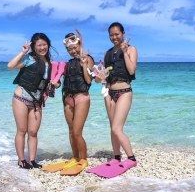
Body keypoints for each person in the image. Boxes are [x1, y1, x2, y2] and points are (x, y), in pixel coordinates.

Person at [43, 31, 94, 176]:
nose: (72, 51)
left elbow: (89, 81)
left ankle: (83, 159)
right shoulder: (67, 64)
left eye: (74, 47)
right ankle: (75, 156)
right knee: (71, 131)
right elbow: (60, 83)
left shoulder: (88, 59)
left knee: (77, 132)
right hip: (67, 98)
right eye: (69, 49)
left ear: (79, 44)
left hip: (82, 97)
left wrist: (84, 65)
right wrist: (54, 83)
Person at [95, 22, 138, 170]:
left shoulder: (131, 49)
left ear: (123, 33)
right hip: (109, 92)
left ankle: (131, 158)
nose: (114, 37)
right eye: (111, 35)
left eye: (117, 34)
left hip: (124, 91)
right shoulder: (108, 53)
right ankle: (117, 157)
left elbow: (131, 70)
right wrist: (100, 77)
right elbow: (103, 76)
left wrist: (125, 52)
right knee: (112, 127)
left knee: (117, 128)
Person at [7, 33, 53, 169]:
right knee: (22, 130)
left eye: (44, 44)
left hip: (36, 102)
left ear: (48, 45)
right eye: (39, 45)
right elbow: (10, 66)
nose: (42, 47)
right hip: (21, 97)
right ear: (34, 46)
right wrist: (23, 52)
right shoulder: (29, 59)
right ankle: (21, 160)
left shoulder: (49, 64)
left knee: (33, 132)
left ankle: (32, 160)